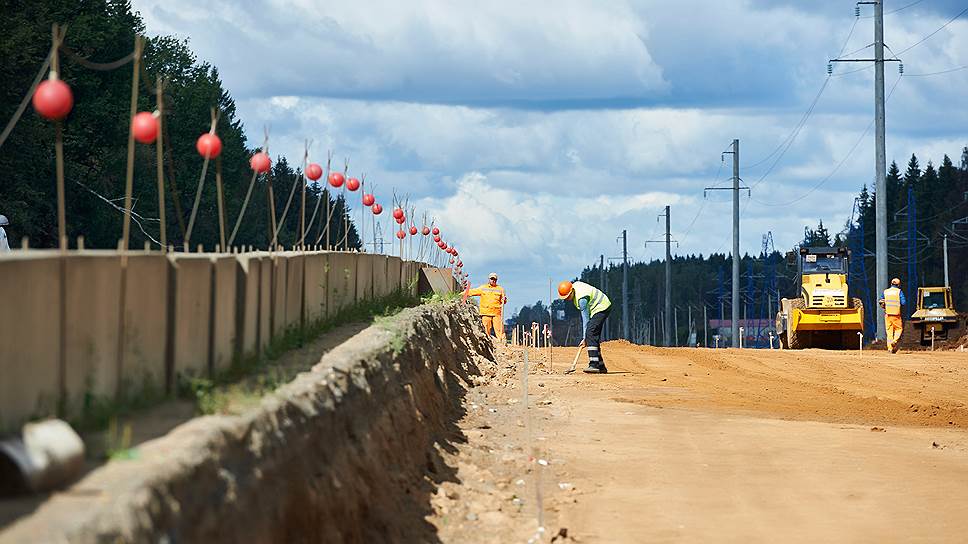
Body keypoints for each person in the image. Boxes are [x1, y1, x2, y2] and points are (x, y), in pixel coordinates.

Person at [558, 280, 612, 374]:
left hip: (602, 307)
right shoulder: (575, 287)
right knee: (593, 337)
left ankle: (594, 365)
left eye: (567, 297)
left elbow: (585, 319)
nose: (567, 299)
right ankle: (601, 366)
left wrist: (584, 338)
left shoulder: (581, 298)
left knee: (590, 333)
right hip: (598, 308)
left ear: (571, 291)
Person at [465, 272, 508, 342]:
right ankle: (487, 342)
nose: (493, 280)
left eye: (494, 279)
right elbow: (473, 291)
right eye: (492, 279)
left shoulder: (501, 289)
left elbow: (503, 301)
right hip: (485, 313)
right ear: (489, 279)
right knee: (486, 329)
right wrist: (463, 294)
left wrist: (504, 300)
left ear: (496, 280)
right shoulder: (483, 288)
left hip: (496, 313)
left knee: (499, 329)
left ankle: (502, 342)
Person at [878, 277, 906, 353]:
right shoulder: (899, 292)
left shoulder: (885, 292)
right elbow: (903, 302)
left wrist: (884, 305)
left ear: (891, 284)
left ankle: (890, 348)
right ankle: (895, 341)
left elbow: (880, 301)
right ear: (898, 285)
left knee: (889, 332)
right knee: (898, 329)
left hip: (888, 315)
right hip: (896, 315)